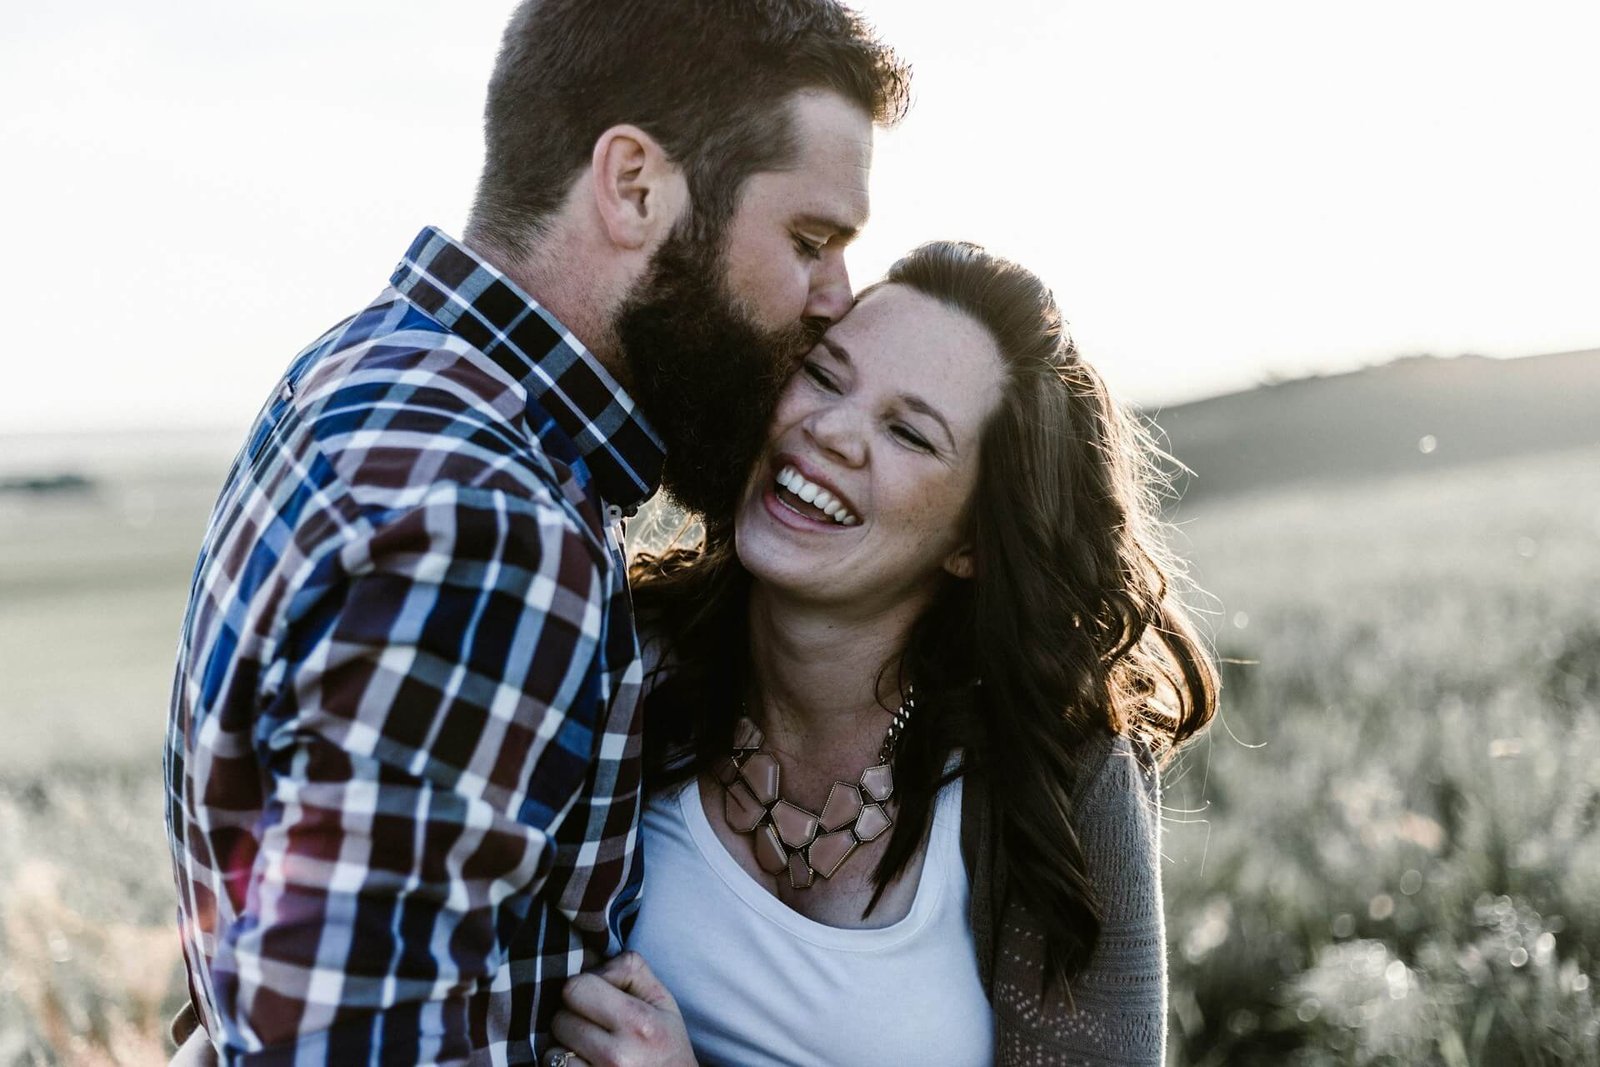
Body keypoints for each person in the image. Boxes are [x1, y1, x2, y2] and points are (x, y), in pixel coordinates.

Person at [163, 1, 909, 1062]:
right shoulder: (494, 527)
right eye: (808, 240)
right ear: (635, 185)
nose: (835, 297)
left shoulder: (364, 368)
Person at [546, 242, 1220, 1065]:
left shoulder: (1055, 776)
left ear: (972, 540)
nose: (831, 431)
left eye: (908, 432)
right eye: (825, 376)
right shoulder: (621, 658)